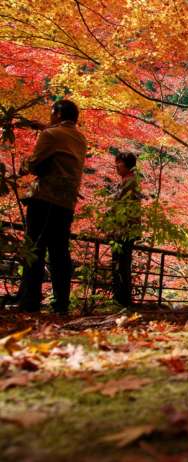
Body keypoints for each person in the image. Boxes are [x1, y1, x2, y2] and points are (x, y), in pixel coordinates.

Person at [15, 100, 87, 315]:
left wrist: (21, 167)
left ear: (57, 113)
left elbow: (34, 163)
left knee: (35, 248)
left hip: (45, 198)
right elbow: (61, 142)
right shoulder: (80, 138)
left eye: (51, 113)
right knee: (59, 252)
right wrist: (44, 127)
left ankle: (30, 302)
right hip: (66, 202)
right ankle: (61, 304)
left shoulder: (51, 135)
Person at [108, 152, 142, 307]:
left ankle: (121, 300)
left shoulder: (129, 182)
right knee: (122, 264)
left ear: (128, 165)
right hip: (126, 229)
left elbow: (117, 206)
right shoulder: (129, 181)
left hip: (123, 230)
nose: (116, 166)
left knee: (120, 264)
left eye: (119, 163)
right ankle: (122, 299)